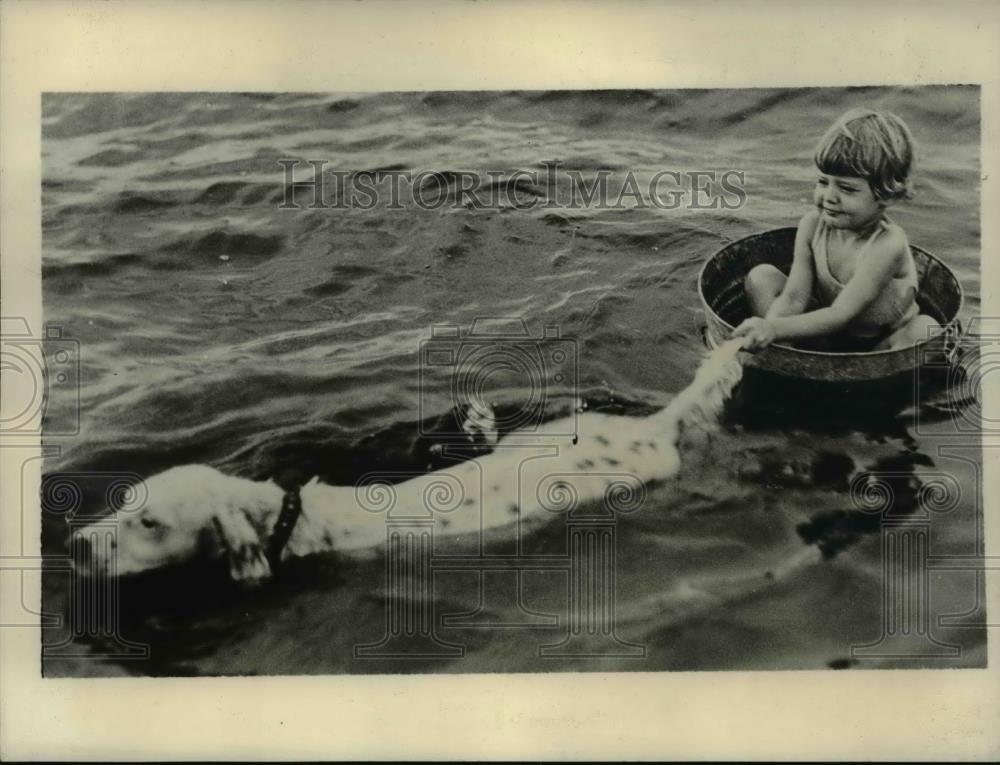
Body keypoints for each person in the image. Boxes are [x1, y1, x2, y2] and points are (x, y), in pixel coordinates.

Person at [734, 108, 940, 352]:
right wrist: (767, 328)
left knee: (925, 330)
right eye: (823, 182)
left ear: (886, 195)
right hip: (826, 332)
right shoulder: (812, 226)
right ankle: (787, 357)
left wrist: (775, 330)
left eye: (847, 189)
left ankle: (858, 382)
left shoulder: (887, 244)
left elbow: (842, 313)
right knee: (762, 277)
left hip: (881, 345)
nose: (829, 196)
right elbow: (794, 297)